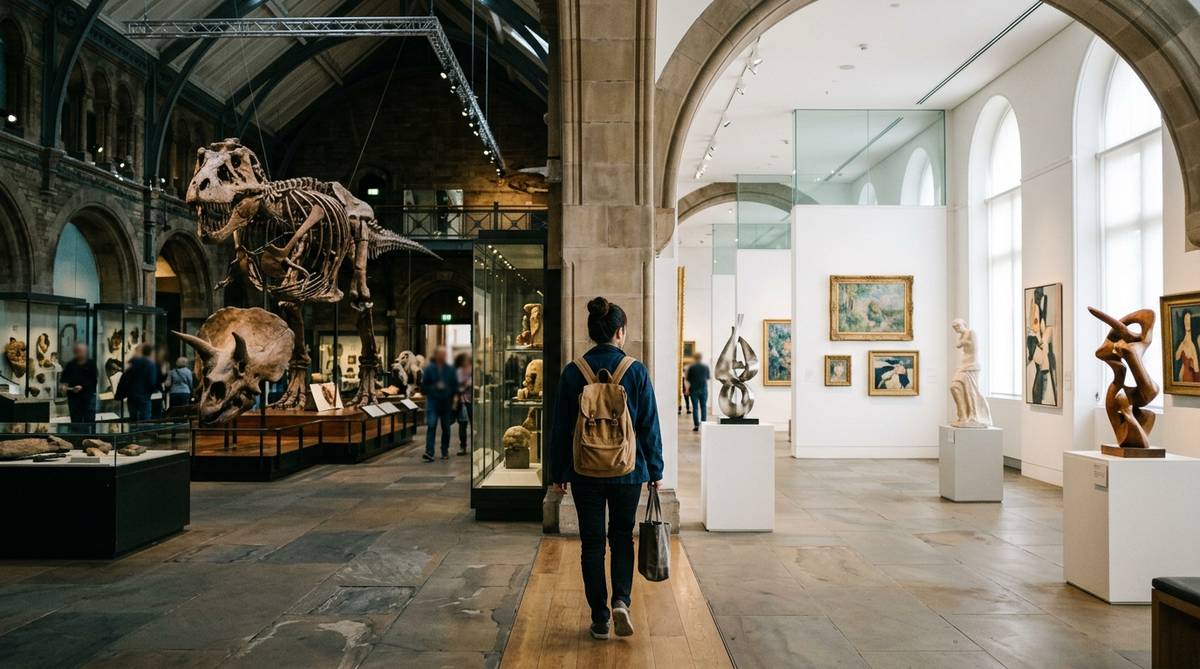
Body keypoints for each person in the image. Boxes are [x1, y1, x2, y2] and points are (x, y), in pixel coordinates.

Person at [549, 297, 664, 641]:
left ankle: (599, 618)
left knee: (592, 543)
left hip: (584, 470)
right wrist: (655, 470)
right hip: (628, 471)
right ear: (620, 332)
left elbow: (561, 428)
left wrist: (558, 473)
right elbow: (648, 425)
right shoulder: (635, 371)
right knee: (622, 538)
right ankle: (621, 602)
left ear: (591, 332)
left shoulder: (574, 372)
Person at [421, 345, 457, 461]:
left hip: (446, 403)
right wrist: (435, 387)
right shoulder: (429, 369)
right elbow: (424, 386)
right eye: (440, 354)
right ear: (436, 355)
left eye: (444, 354)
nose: (442, 356)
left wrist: (448, 392)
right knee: (431, 426)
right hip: (433, 402)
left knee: (446, 428)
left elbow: (454, 386)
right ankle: (429, 451)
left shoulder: (450, 369)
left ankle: (444, 450)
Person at [115, 343, 159, 421]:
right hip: (144, 396)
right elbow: (152, 381)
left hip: (132, 396)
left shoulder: (133, 364)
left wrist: (120, 394)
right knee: (145, 419)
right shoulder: (150, 364)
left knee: (133, 418)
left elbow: (125, 380)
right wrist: (151, 391)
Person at [59, 342, 97, 424]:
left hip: (88, 398)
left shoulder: (91, 364)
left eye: (82, 351)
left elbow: (93, 380)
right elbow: (64, 379)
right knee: (76, 422)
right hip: (74, 399)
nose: (80, 353)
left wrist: (82, 387)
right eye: (78, 351)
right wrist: (64, 386)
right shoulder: (70, 365)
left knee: (89, 422)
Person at [685, 352, 710, 431]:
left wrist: (687, 390)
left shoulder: (691, 368)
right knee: (703, 407)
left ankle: (696, 425)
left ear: (694, 358)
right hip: (703, 389)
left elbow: (688, 380)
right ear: (701, 358)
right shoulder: (705, 367)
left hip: (694, 390)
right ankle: (704, 425)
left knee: (695, 408)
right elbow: (707, 378)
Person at [455, 352, 473, 456]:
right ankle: (463, 446)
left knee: (474, 424)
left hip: (472, 401)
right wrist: (465, 385)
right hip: (461, 401)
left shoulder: (472, 371)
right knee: (462, 424)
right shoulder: (459, 372)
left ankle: (475, 445)